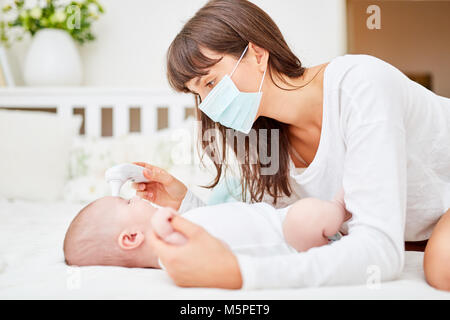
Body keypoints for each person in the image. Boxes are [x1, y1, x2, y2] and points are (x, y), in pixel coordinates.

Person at [132, 0, 450, 291]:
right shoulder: (266, 139)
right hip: (420, 227)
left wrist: (240, 274)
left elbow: (380, 251)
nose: (207, 105)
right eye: (198, 94)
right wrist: (185, 209)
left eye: (211, 82)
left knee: (442, 266)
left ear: (257, 54)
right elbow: (271, 230)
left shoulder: (360, 85)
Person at [63, 192, 350, 268]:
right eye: (128, 202)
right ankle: (342, 205)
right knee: (312, 212)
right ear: (131, 238)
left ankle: (341, 224)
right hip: (288, 236)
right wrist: (164, 217)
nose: (137, 198)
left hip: (276, 220)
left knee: (308, 212)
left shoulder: (177, 233)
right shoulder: (170, 251)